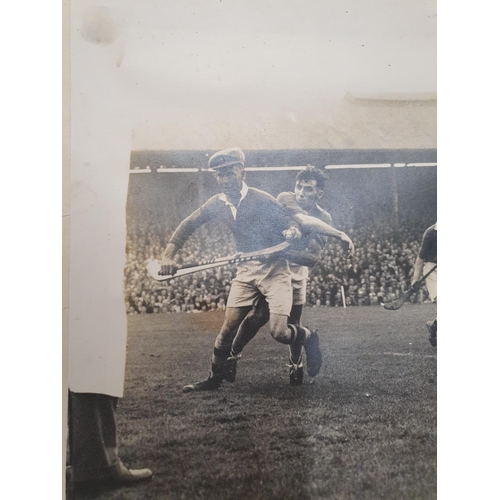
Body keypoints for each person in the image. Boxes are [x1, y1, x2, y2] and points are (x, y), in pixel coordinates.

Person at [67, 4, 152, 491]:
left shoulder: (80, 76)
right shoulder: (96, 79)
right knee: (93, 338)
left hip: (79, 221)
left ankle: (82, 458)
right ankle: (97, 462)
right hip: (84, 223)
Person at [160, 147, 323, 392]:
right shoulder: (217, 203)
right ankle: (214, 379)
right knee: (228, 328)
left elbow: (290, 221)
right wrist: (168, 256)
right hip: (246, 270)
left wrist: (292, 230)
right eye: (219, 174)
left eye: (229, 172)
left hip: (274, 270)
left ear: (241, 171)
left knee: (279, 332)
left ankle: (309, 338)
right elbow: (189, 223)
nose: (224, 179)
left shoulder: (260, 198)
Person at [230, 166, 354, 385]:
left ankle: (295, 366)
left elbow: (313, 258)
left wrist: (279, 252)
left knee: (294, 321)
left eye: (307, 189)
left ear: (319, 194)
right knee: (258, 316)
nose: (300, 193)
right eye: (299, 186)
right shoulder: (285, 198)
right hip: (274, 268)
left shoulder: (324, 217)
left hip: (295, 269)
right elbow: (301, 221)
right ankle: (232, 355)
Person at [411, 222, 437, 346]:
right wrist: (415, 278)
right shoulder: (430, 232)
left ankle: (434, 325)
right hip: (433, 270)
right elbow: (420, 258)